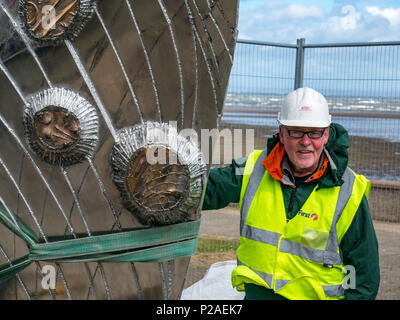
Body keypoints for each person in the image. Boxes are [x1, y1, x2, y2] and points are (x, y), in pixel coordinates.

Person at [202, 87, 380, 300]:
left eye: (314, 133)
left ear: (325, 135)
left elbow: (364, 275)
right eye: (296, 131)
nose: (305, 142)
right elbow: (204, 189)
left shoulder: (349, 192)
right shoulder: (251, 168)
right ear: (282, 133)